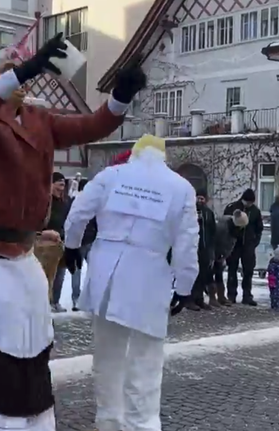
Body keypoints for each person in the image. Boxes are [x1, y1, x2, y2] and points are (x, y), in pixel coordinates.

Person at [0, 33, 145, 431]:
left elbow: (91, 126)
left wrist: (121, 94)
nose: (21, 79)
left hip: (22, 259)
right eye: (9, 72)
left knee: (30, 351)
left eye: (22, 71)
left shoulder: (39, 120)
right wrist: (25, 69)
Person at [62, 134, 198, 431]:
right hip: (149, 276)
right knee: (145, 363)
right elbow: (187, 242)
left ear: (134, 152)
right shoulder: (180, 187)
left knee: (107, 359)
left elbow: (79, 213)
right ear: (163, 157)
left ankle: (109, 421)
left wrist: (71, 244)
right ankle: (143, 425)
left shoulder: (111, 175)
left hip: (106, 274)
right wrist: (185, 285)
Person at [223, 189, 263, 306]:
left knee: (248, 270)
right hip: (234, 244)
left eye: (251, 203)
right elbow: (226, 224)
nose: (249, 204)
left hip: (248, 244)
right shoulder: (232, 207)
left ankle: (247, 295)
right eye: (247, 202)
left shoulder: (255, 211)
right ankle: (231, 295)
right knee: (232, 269)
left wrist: (254, 242)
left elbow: (259, 228)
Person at [68, 178, 98, 312]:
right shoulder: (79, 201)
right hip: (82, 241)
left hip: (88, 240)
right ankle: (78, 299)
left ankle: (83, 299)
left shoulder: (78, 201)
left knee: (89, 271)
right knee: (81, 271)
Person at [45, 172, 70, 312]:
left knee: (60, 275)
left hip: (61, 243)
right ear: (51, 184)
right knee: (48, 275)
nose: (62, 188)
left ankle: (56, 301)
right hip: (46, 245)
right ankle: (46, 302)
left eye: (63, 185)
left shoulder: (65, 203)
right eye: (59, 184)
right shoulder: (45, 202)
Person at [188, 187, 217, 311]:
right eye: (198, 198)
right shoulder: (190, 211)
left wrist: (211, 248)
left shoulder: (208, 213)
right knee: (191, 274)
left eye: (202, 198)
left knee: (203, 275)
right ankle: (189, 300)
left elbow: (212, 231)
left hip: (205, 248)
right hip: (193, 248)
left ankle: (199, 298)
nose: (200, 200)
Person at [213, 210, 248, 306]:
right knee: (212, 275)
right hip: (215, 253)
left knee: (218, 275)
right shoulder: (223, 228)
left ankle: (220, 297)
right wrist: (219, 255)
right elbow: (219, 242)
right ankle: (214, 296)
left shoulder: (230, 225)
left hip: (221, 254)